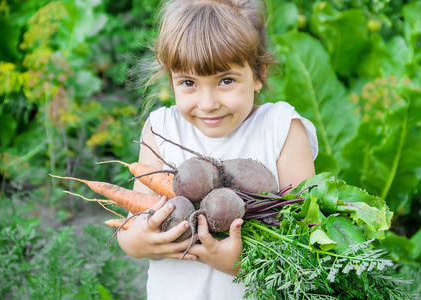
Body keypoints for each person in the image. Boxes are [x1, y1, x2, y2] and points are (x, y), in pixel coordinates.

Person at [117, 0, 318, 299]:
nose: (208, 103)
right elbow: (131, 229)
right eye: (188, 82)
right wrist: (136, 242)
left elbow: (308, 238)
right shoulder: (161, 128)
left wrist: (239, 265)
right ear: (170, 79)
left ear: (259, 75)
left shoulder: (281, 128)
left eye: (226, 81)